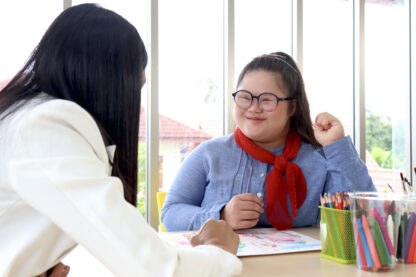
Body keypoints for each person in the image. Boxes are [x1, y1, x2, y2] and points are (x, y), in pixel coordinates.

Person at [0, 4, 242, 277]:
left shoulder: (23, 116)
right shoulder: (48, 126)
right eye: (135, 86)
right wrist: (218, 251)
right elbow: (154, 269)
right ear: (110, 83)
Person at [161, 51, 376, 232]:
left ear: (292, 107)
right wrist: (221, 216)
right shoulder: (210, 153)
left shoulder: (318, 158)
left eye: (267, 100)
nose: (254, 107)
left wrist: (336, 146)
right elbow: (170, 213)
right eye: (245, 97)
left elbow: (362, 215)